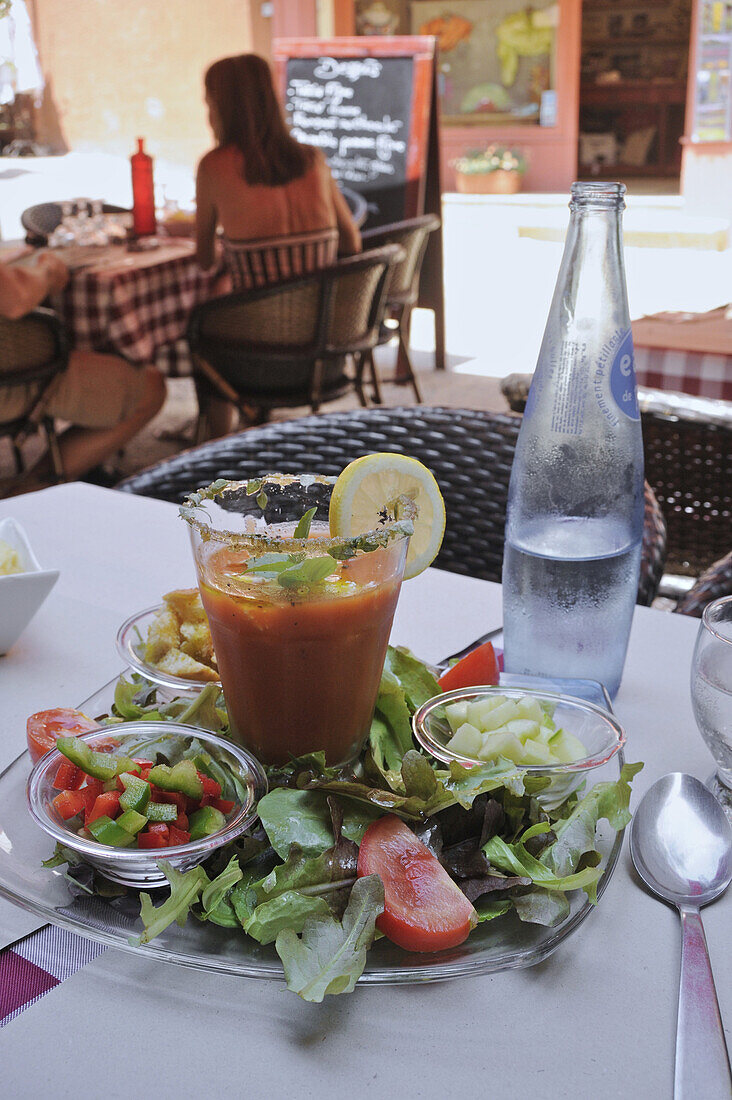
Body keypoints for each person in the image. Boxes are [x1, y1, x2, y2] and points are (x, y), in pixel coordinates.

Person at [0, 251, 166, 486]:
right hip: (16, 380)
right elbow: (16, 300)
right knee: (150, 386)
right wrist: (48, 271)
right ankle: (31, 490)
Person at [196, 53, 361, 285]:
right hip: (324, 317)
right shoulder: (313, 159)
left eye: (209, 104)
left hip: (254, 319)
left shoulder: (212, 167)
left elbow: (205, 260)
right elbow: (351, 243)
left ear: (220, 108)